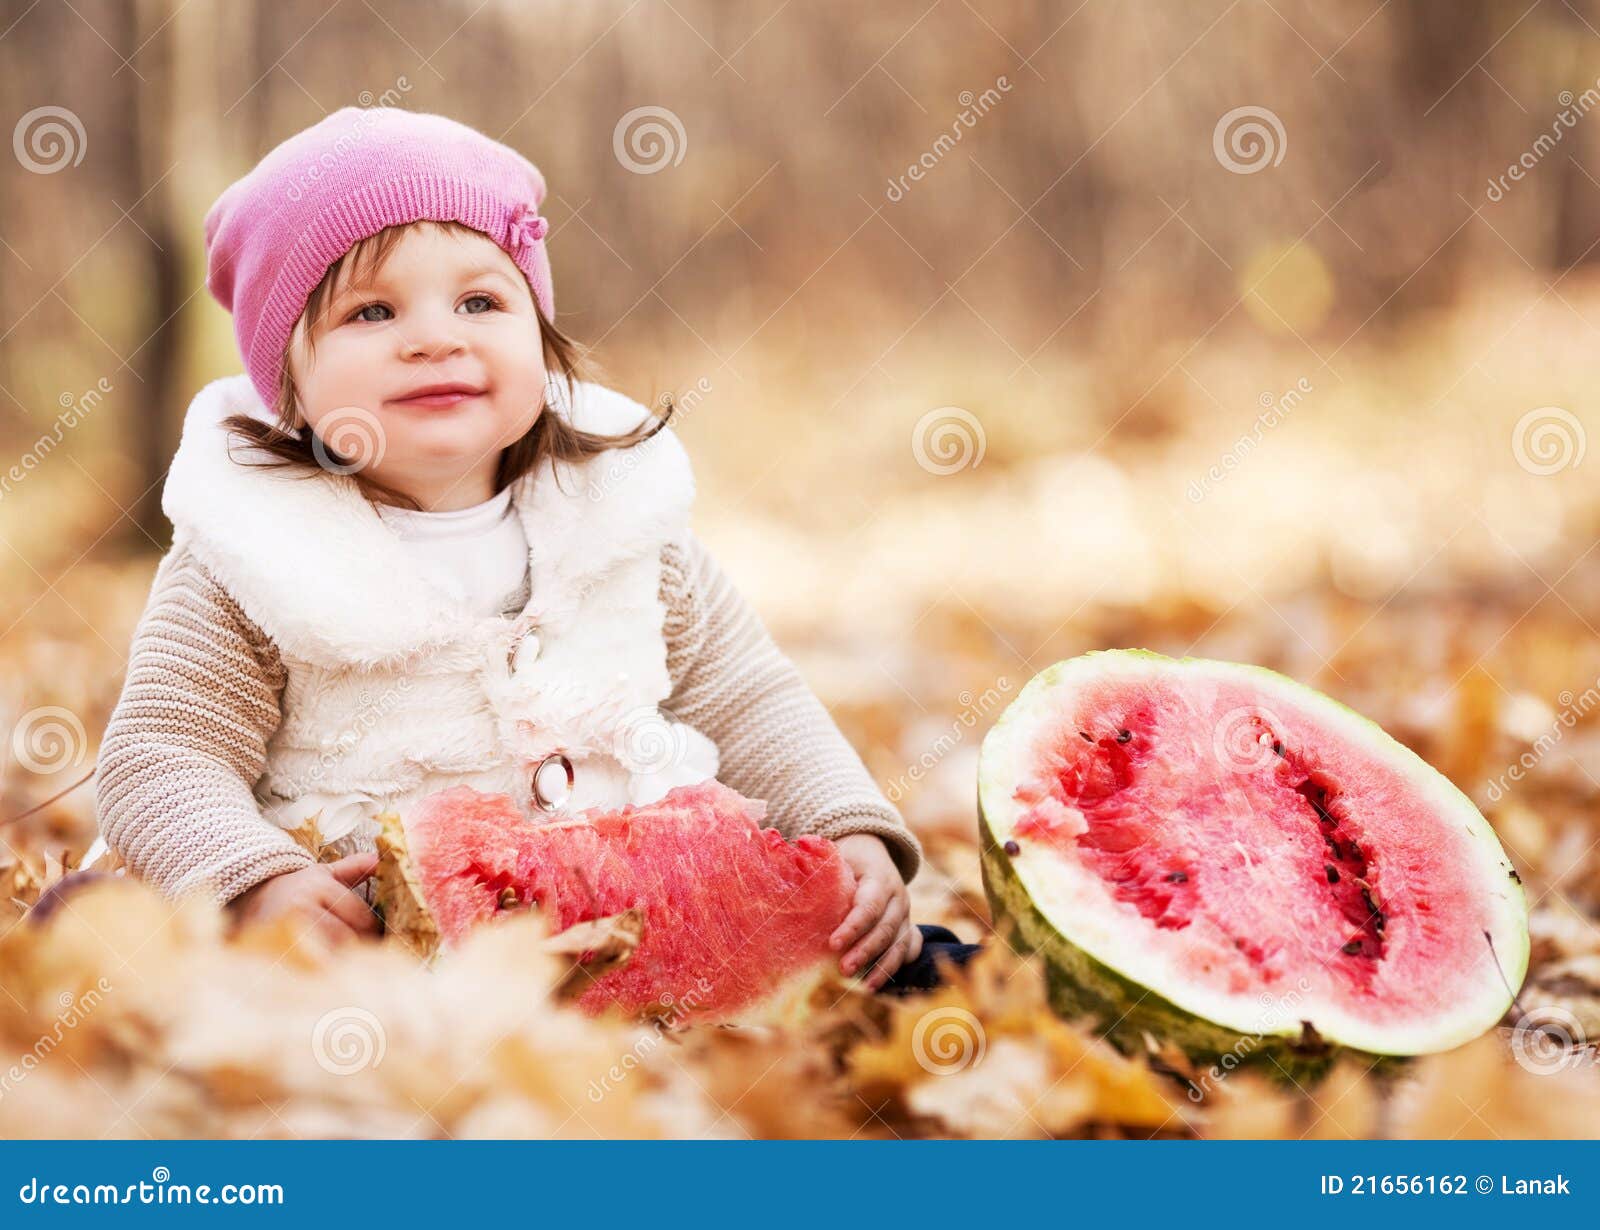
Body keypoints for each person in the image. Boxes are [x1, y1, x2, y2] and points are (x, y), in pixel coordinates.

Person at [91, 105, 977, 993]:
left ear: (540, 336)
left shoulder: (621, 524)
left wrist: (845, 824)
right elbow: (161, 757)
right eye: (372, 310)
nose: (437, 336)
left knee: (930, 972)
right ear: (284, 377)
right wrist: (259, 884)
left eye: (480, 301)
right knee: (152, 979)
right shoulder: (252, 560)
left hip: (638, 928)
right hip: (377, 964)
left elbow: (745, 696)